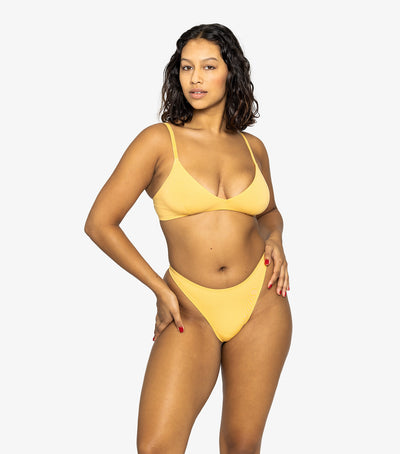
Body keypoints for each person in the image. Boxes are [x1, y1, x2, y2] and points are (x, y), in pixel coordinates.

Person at [84, 23, 292, 454]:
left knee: (242, 444)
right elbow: (100, 223)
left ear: (231, 72)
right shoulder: (159, 141)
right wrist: (160, 289)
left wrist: (275, 238)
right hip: (189, 306)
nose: (195, 78)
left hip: (262, 301)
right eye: (186, 67)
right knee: (156, 446)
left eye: (208, 67)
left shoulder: (253, 147)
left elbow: (269, 211)